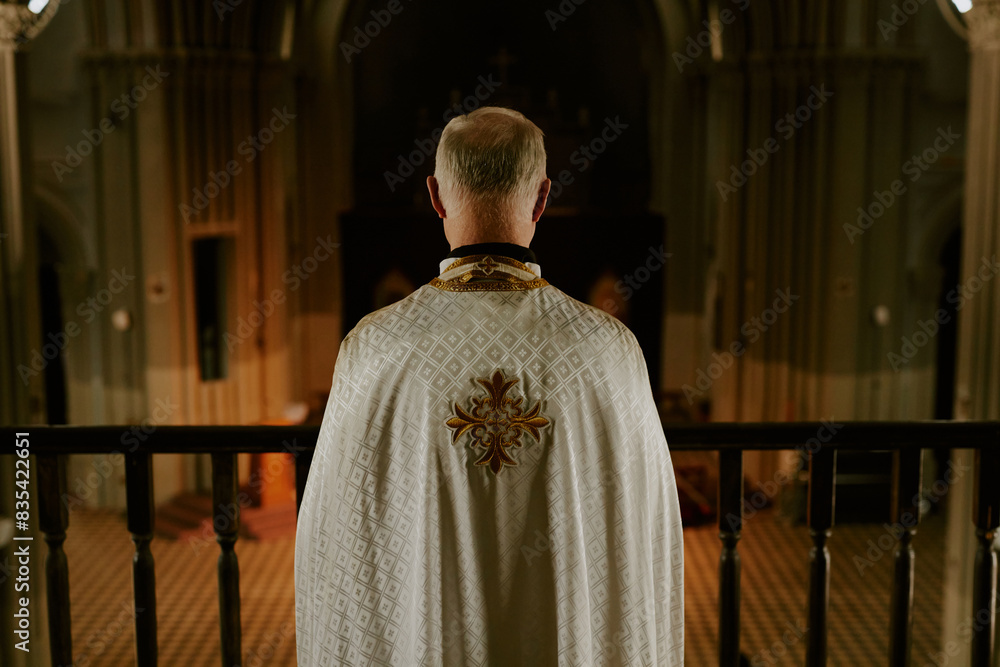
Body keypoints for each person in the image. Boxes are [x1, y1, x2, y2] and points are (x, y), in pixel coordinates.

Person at [295, 106, 684, 665]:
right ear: (543, 197)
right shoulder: (609, 351)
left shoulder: (372, 349)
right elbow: (643, 541)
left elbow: (336, 542)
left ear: (435, 195)